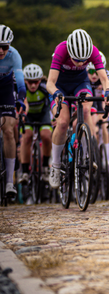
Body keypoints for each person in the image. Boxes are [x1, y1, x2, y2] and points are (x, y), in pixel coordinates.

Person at [47, 29, 109, 188]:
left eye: (84, 60)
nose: (81, 63)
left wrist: (108, 92)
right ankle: (55, 165)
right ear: (70, 52)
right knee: (62, 122)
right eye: (77, 60)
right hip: (59, 86)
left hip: (80, 83)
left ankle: (88, 154)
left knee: (85, 109)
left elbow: (105, 78)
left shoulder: (93, 51)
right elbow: (50, 82)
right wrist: (56, 93)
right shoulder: (61, 50)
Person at [0, 25, 26, 199]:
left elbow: (22, 84)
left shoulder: (14, 55)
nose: (1, 51)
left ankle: (10, 181)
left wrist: (20, 99)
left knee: (9, 131)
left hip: (6, 89)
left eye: (5, 47)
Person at [19, 64, 52, 185]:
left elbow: (52, 102)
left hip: (43, 115)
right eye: (30, 82)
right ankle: (25, 172)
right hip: (28, 116)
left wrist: (55, 117)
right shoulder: (22, 90)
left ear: (40, 80)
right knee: (27, 137)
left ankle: (45, 168)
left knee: (46, 136)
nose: (33, 85)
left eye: (36, 82)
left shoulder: (44, 88)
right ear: (25, 81)